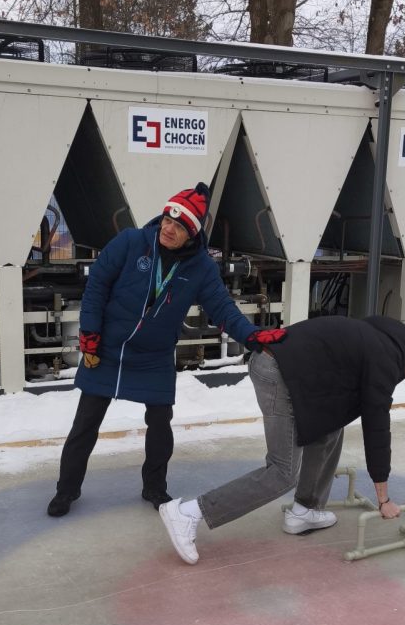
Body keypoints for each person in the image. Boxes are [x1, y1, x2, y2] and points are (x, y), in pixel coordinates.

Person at [47, 183, 282, 516]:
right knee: (85, 422)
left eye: (179, 226)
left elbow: (223, 308)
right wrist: (89, 334)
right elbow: (97, 284)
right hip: (107, 349)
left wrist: (253, 336)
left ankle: (155, 487)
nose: (168, 229)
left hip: (154, 357)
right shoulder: (131, 242)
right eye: (167, 220)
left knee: (160, 422)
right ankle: (66, 490)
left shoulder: (200, 267)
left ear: (192, 234)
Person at [158, 314, 405, 564]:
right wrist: (383, 498)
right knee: (282, 472)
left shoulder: (382, 334)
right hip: (276, 373)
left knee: (330, 425)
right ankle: (189, 513)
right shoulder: (386, 358)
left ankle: (306, 508)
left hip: (286, 367)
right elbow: (377, 428)